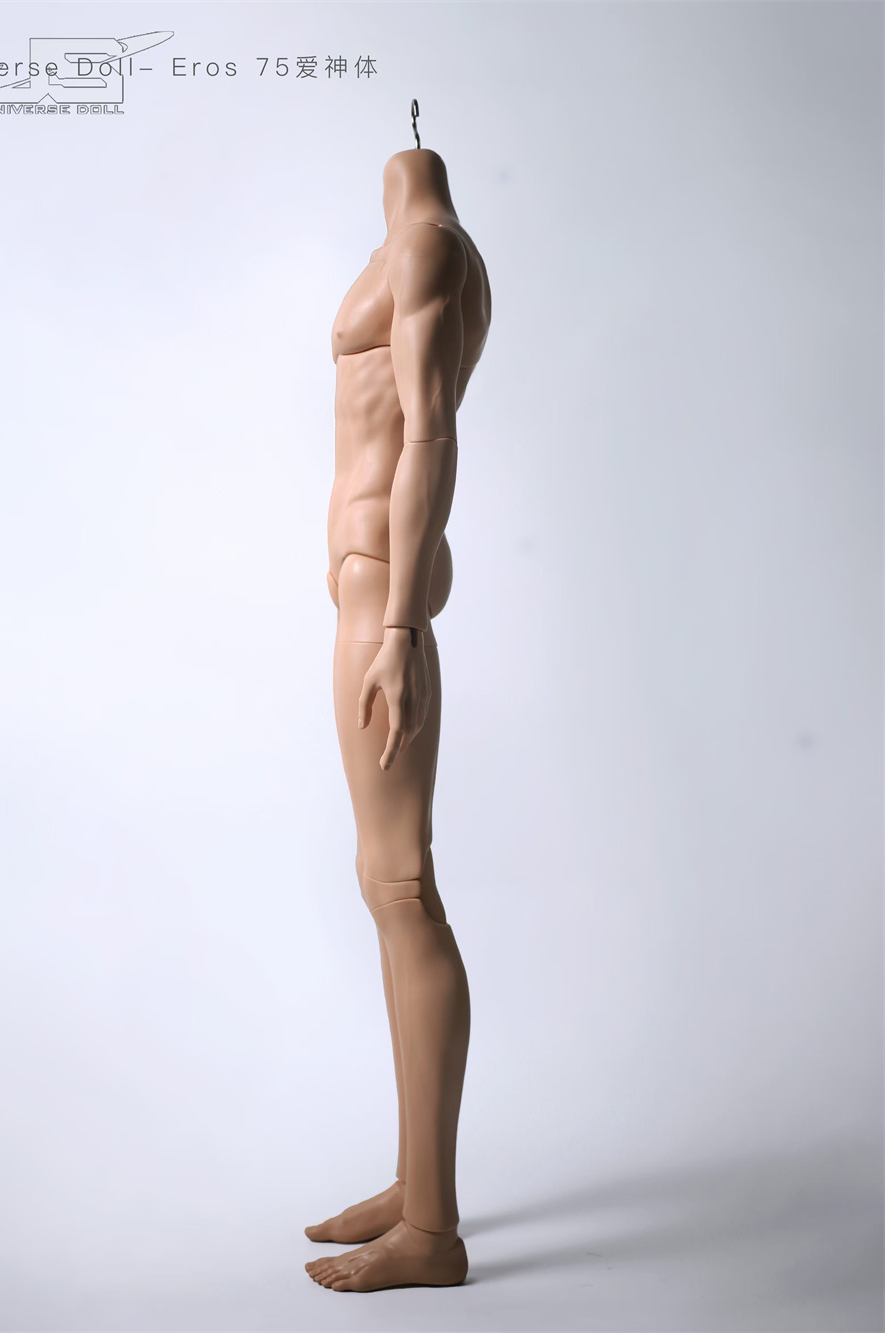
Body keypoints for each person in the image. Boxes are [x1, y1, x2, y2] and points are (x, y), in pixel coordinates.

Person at [305, 146, 492, 1293]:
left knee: (401, 885)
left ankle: (432, 1231)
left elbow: (429, 433)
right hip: (373, 587)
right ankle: (415, 1181)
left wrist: (400, 628)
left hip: (387, 595)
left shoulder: (425, 247)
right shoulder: (416, 245)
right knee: (385, 887)